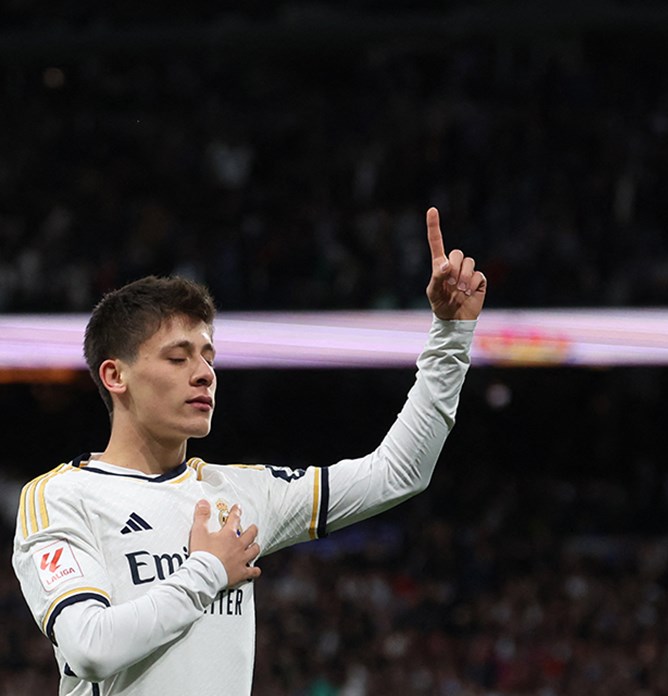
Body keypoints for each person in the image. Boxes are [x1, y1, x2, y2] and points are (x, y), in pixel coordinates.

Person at [11, 207, 486, 695]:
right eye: (178, 358)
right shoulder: (62, 497)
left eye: (208, 357)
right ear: (115, 376)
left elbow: (397, 473)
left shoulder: (240, 493)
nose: (204, 374)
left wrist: (450, 337)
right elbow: (89, 648)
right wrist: (208, 571)